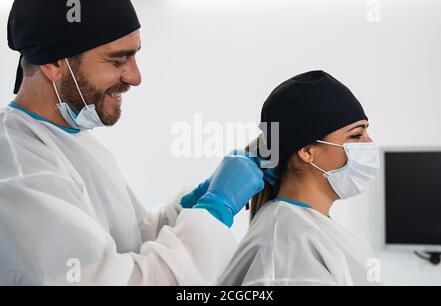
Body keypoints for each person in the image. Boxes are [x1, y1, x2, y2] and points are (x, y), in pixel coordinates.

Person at [0, 0, 268, 285]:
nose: (135, 77)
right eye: (117, 60)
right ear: (54, 63)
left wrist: (195, 203)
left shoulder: (70, 138)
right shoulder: (19, 171)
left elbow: (129, 240)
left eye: (134, 56)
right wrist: (215, 209)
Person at [219, 70, 382, 286]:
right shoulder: (286, 244)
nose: (368, 144)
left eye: (366, 132)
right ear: (307, 151)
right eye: (356, 135)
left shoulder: (307, 230)